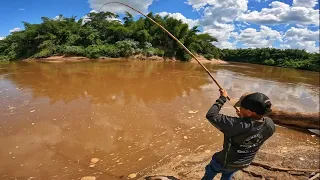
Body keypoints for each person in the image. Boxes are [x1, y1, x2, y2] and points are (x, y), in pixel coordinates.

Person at [202, 89, 275, 180]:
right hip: (244, 162)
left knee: (211, 170)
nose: (239, 109)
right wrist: (244, 118)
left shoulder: (236, 125)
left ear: (249, 112)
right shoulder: (270, 125)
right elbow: (252, 128)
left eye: (241, 107)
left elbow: (211, 115)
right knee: (228, 175)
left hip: (224, 162)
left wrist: (222, 98)